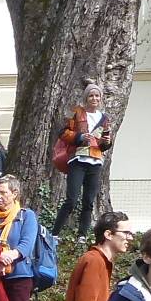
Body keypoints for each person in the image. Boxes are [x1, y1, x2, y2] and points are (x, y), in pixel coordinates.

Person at [52, 80, 114, 241]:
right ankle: (55, 233)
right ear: (86, 98)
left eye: (97, 96)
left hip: (95, 161)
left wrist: (107, 142)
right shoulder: (77, 114)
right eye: (91, 96)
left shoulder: (104, 118)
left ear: (100, 99)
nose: (94, 98)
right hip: (78, 160)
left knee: (88, 201)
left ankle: (82, 235)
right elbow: (63, 132)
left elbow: (103, 143)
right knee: (71, 199)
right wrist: (79, 137)